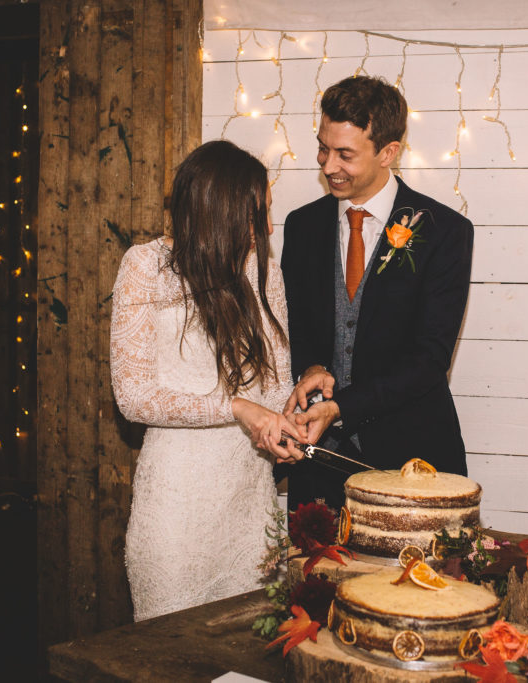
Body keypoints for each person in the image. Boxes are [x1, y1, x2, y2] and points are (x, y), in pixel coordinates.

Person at [110, 140, 305, 621]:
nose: (266, 228)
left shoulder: (265, 272)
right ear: (219, 212)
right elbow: (133, 398)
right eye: (255, 214)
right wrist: (237, 408)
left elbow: (276, 381)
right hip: (177, 510)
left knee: (252, 657)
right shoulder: (145, 267)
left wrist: (287, 417)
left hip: (249, 510)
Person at [280, 75, 474, 510]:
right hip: (317, 461)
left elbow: (430, 359)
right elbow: (295, 325)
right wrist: (310, 365)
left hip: (413, 456)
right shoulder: (301, 226)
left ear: (388, 153)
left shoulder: (445, 233)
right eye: (323, 148)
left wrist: (341, 406)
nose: (328, 166)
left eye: (345, 154)